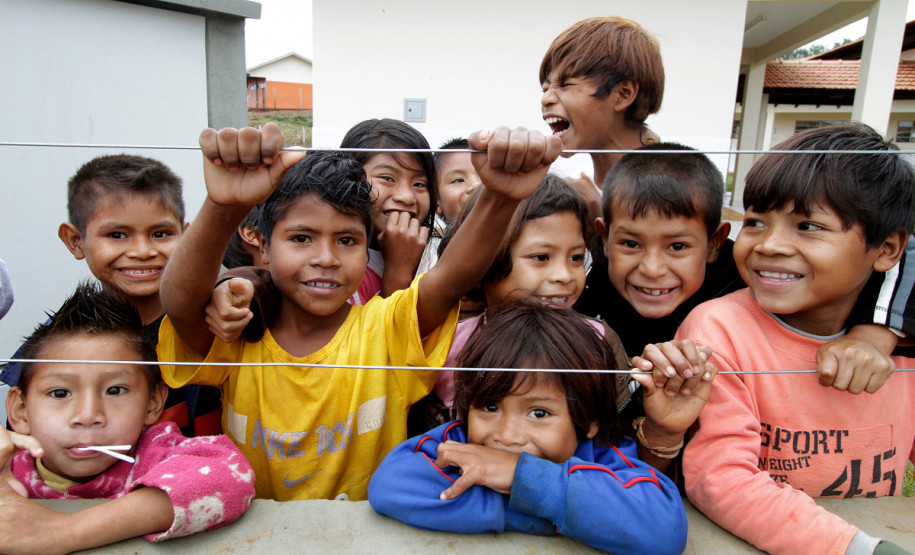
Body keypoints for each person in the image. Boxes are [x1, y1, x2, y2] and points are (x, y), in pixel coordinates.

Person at [156, 123, 561, 501]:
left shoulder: (385, 329)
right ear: (262, 245)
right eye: (301, 238)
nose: (326, 258)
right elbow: (180, 305)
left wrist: (502, 197)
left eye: (347, 240)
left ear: (367, 246)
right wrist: (222, 206)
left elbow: (454, 273)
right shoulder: (239, 332)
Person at [679, 123, 915, 555]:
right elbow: (719, 477)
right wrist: (858, 550)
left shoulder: (902, 344)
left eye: (808, 225)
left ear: (887, 250)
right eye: (755, 221)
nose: (770, 245)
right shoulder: (719, 331)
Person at [577, 142, 913, 398]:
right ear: (604, 239)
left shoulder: (751, 280)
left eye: (677, 246)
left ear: (716, 243)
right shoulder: (585, 281)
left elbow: (904, 247)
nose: (651, 269)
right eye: (631, 244)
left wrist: (872, 336)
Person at [369, 299, 699, 554]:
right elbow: (389, 486)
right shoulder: (456, 443)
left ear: (589, 422)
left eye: (539, 413)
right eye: (491, 406)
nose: (507, 436)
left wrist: (520, 478)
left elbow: (664, 529)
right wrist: (550, 514)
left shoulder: (603, 458)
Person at [0, 282, 254, 553]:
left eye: (115, 390)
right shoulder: (8, 470)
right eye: (60, 393)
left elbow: (229, 479)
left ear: (153, 403)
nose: (88, 415)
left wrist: (62, 532)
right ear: (20, 410)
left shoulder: (155, 454)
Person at [0, 154, 222, 437]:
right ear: (75, 241)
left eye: (161, 233)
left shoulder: (214, 326)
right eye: (117, 235)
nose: (142, 251)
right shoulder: (57, 344)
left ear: (187, 238)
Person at [539, 16, 663, 206]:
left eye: (566, 85)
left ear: (623, 94)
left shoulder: (677, 187)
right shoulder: (575, 189)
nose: (546, 99)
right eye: (545, 89)